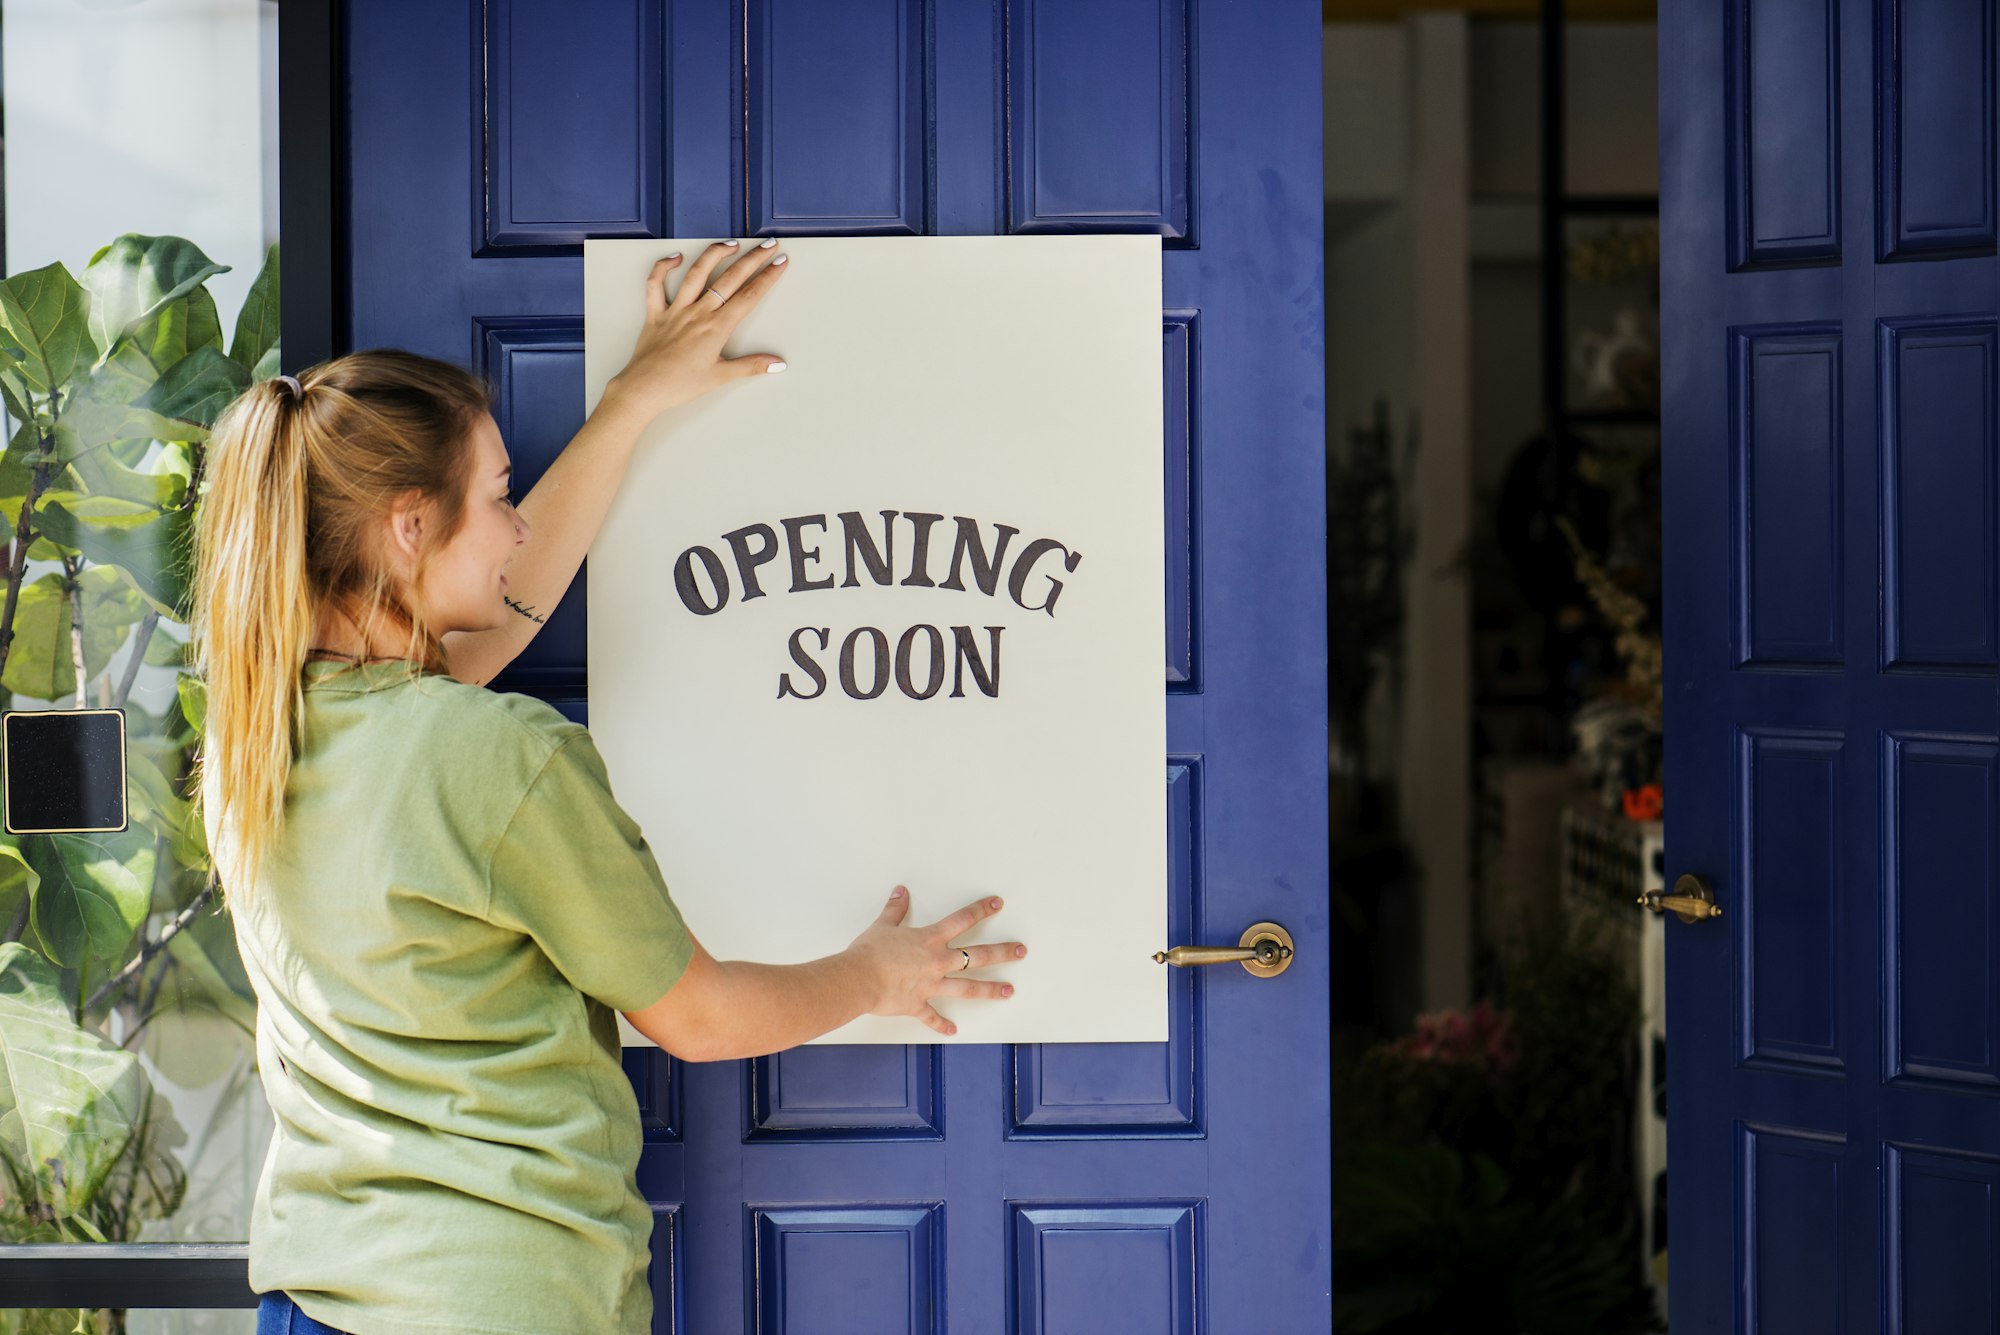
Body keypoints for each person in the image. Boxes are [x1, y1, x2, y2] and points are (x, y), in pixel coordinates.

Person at [190, 240, 1026, 1335]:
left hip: (315, 1300)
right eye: (496, 497)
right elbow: (699, 1016)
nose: (517, 525)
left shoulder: (255, 742)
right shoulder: (487, 754)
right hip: (491, 1306)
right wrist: (873, 971)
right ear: (407, 527)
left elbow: (477, 633)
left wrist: (634, 401)